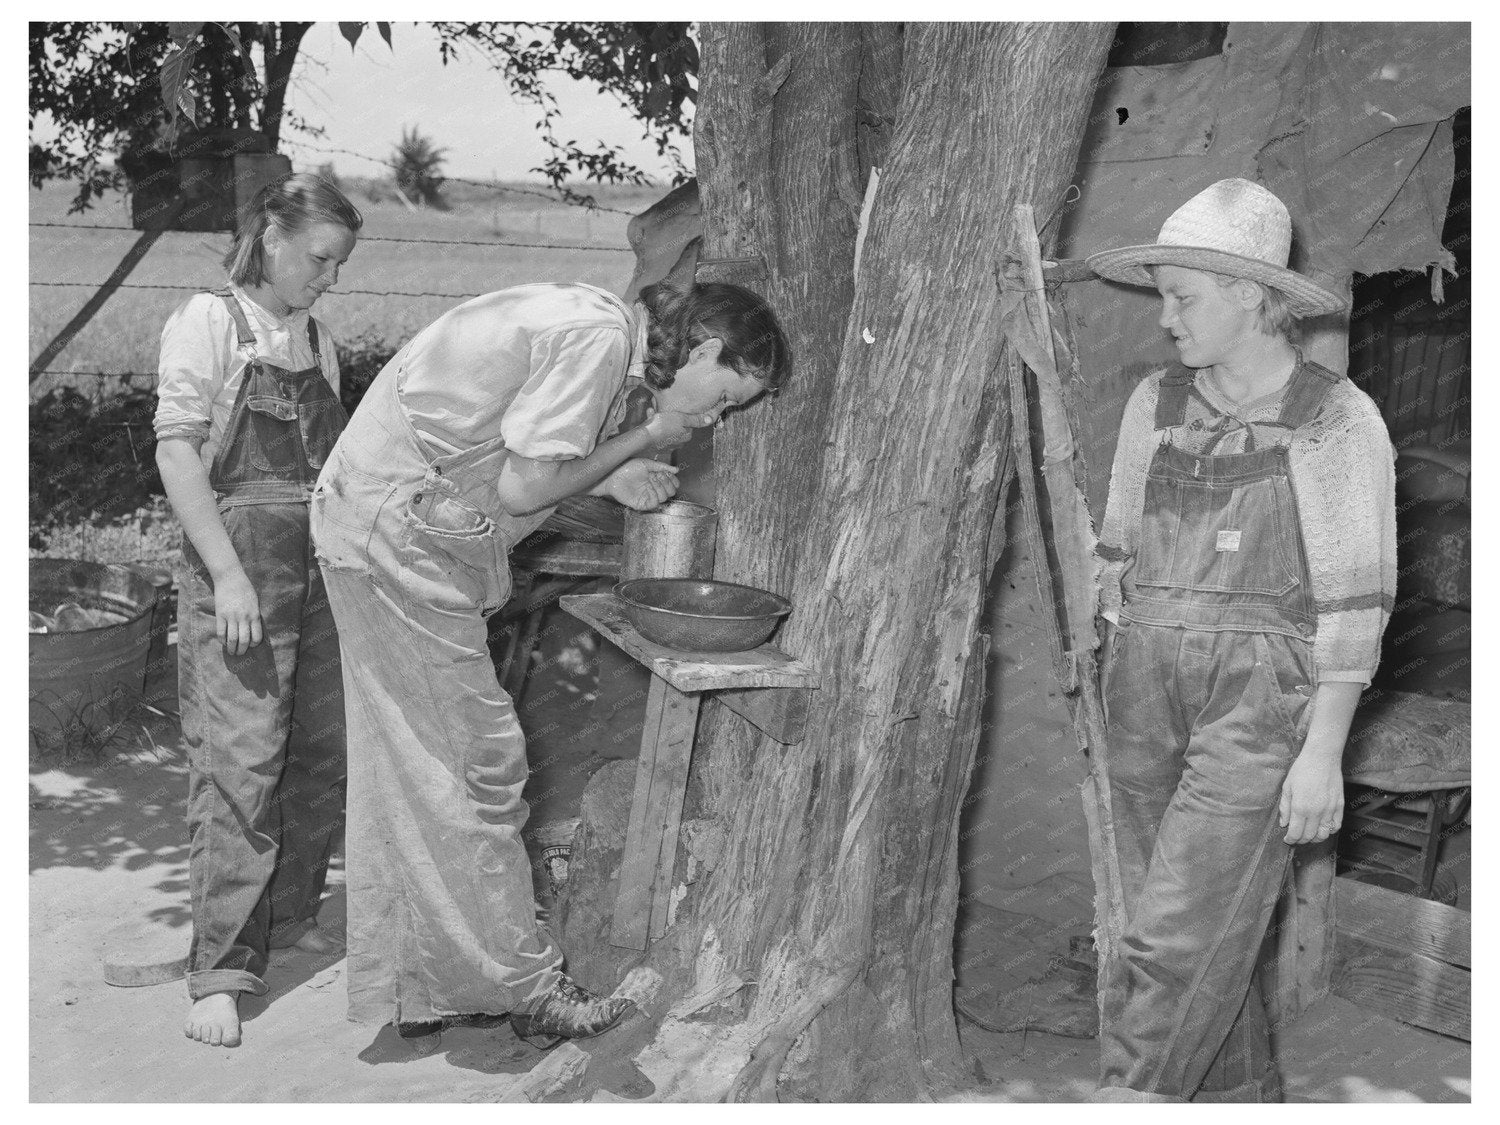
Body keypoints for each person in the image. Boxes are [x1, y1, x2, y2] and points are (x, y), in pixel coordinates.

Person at [311, 279, 791, 1050]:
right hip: (395, 534)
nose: (712, 418)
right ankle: (530, 992)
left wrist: (606, 474)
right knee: (479, 760)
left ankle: (437, 982)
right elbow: (524, 484)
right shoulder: (599, 339)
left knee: (414, 761)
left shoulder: (595, 319)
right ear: (703, 349)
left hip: (382, 516)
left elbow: (501, 442)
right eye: (724, 396)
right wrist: (646, 435)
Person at [1084, 179, 1396, 1101]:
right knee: (1176, 924)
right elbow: (1119, 539)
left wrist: (1324, 754)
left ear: (1254, 298)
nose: (1165, 320)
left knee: (1174, 938)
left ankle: (1124, 1099)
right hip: (1142, 680)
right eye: (1163, 298)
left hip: (1262, 700)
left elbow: (1353, 600)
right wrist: (1106, 623)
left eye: (1183, 298)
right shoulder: (1156, 400)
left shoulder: (1338, 420)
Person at [154, 173, 362, 1048]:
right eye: (320, 258)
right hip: (238, 572)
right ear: (272, 238)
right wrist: (229, 577)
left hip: (314, 568)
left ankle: (292, 914)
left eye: (339, 264)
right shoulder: (209, 322)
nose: (328, 278)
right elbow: (178, 455)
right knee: (240, 761)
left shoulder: (317, 336)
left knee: (320, 749)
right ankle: (222, 972)